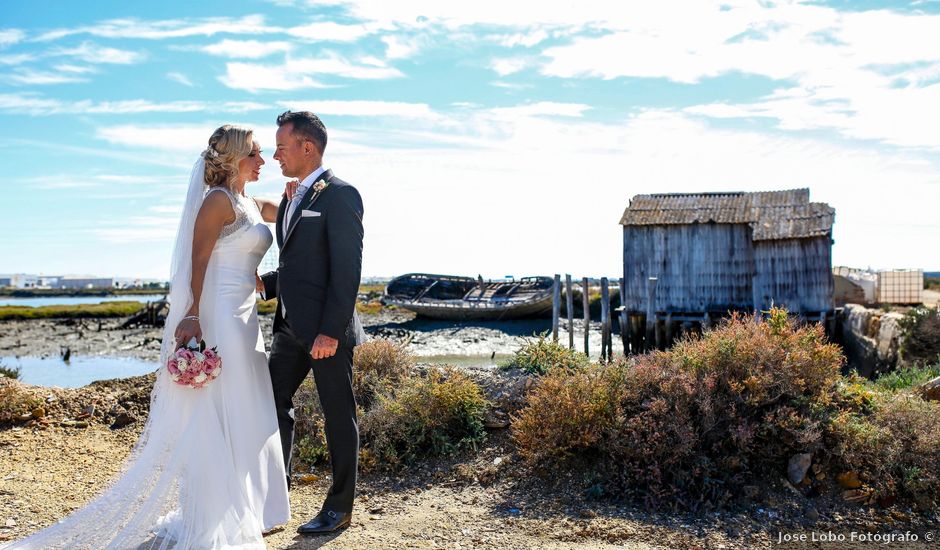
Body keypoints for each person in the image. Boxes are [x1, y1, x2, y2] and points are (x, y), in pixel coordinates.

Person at [4, 125, 290, 549]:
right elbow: (195, 262)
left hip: (247, 318)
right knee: (221, 410)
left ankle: (252, 507)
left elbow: (286, 211)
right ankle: (215, 516)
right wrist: (192, 314)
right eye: (256, 153)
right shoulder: (217, 202)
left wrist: (308, 190)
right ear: (232, 158)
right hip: (220, 318)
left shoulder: (250, 200)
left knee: (249, 408)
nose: (263, 160)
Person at [260, 110, 365, 535]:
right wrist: (265, 284)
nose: (275, 154)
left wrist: (330, 331)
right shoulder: (291, 197)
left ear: (307, 147)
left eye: (281, 147)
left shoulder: (341, 195)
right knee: (270, 404)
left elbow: (346, 272)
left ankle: (339, 508)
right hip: (288, 328)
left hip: (326, 332)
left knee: (338, 414)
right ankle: (276, 496)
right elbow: (300, 263)